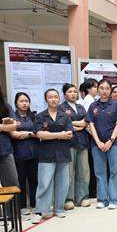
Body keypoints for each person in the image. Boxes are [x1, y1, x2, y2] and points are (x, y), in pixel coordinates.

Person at [32, 89, 73, 223]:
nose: (54, 99)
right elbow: (40, 134)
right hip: (46, 154)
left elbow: (69, 134)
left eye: (56, 97)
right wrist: (60, 135)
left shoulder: (65, 116)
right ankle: (41, 210)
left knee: (63, 183)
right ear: (46, 99)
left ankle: (59, 208)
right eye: (50, 97)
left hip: (63, 153)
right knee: (44, 183)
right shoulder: (40, 116)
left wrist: (50, 135)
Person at [86, 79, 117, 210]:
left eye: (107, 88)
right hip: (97, 144)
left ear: (110, 90)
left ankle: (114, 199)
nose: (104, 91)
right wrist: (98, 142)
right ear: (97, 90)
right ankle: (102, 199)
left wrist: (110, 141)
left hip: (114, 143)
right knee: (99, 172)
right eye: (101, 88)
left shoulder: (115, 105)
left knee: (115, 171)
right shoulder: (93, 106)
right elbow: (91, 125)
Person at [61, 83, 90, 209]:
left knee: (83, 171)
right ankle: (69, 198)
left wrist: (74, 125)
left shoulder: (81, 107)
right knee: (69, 172)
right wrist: (79, 126)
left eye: (74, 91)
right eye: (70, 92)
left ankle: (82, 197)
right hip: (69, 143)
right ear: (65, 94)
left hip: (82, 142)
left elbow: (86, 123)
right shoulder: (61, 108)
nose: (73, 94)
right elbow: (64, 125)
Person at [10, 92, 39, 214]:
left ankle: (34, 204)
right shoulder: (13, 118)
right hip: (19, 153)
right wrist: (30, 134)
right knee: (21, 180)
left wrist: (26, 134)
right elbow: (14, 135)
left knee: (34, 180)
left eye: (26, 101)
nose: (24, 103)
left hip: (35, 152)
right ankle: (22, 206)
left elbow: (39, 132)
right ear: (16, 103)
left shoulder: (34, 116)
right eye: (21, 101)